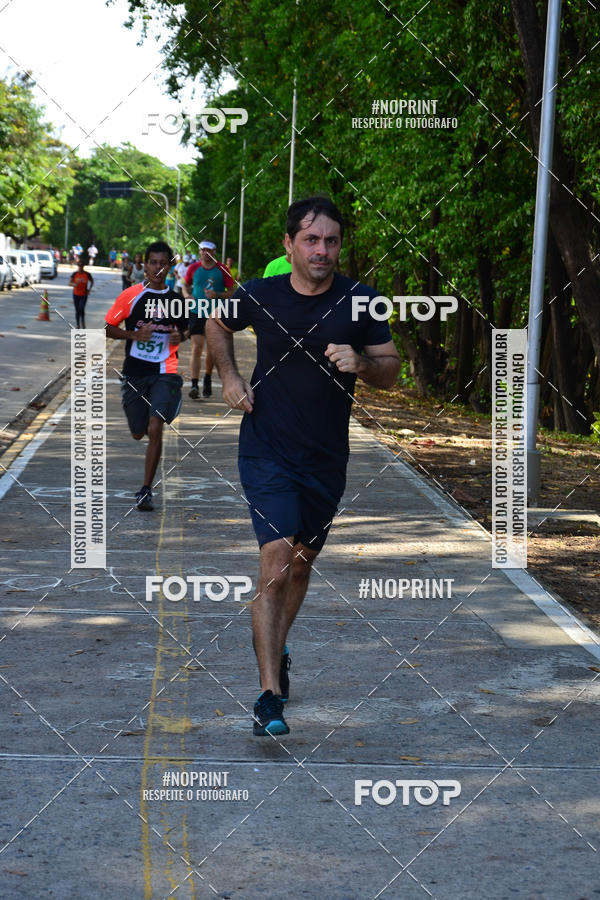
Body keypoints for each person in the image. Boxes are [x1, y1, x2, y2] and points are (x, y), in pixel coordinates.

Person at [206, 196, 400, 736]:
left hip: (326, 456)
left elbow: (391, 369)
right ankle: (269, 695)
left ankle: (279, 648)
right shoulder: (260, 295)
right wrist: (229, 376)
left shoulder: (362, 302)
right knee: (275, 557)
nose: (322, 250)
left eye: (332, 241)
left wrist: (361, 362)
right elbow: (216, 324)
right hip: (266, 446)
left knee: (302, 563)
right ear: (289, 245)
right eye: (311, 240)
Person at [104, 241, 188, 512]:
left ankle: (145, 490)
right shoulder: (131, 296)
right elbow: (108, 327)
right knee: (138, 432)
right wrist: (133, 335)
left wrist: (179, 336)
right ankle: (149, 414)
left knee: (155, 426)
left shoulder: (176, 301)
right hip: (135, 373)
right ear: (145, 265)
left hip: (165, 371)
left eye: (163, 263)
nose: (158, 268)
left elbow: (184, 330)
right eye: (153, 263)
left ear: (170, 267)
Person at [183, 241, 234, 399]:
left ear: (214, 251)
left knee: (211, 350)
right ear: (199, 252)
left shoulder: (222, 269)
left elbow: (232, 291)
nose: (205, 253)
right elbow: (185, 285)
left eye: (208, 250)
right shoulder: (193, 268)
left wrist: (217, 294)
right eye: (202, 250)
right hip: (196, 312)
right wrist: (187, 295)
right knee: (197, 347)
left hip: (215, 314)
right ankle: (193, 384)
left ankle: (207, 378)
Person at [69, 260, 94, 328]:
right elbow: (69, 283)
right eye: (79, 266)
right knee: (77, 310)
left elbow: (92, 281)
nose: (80, 267)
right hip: (76, 294)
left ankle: (82, 321)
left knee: (81, 308)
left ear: (83, 266)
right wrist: (74, 284)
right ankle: (78, 324)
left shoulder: (87, 274)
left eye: (81, 266)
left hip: (84, 294)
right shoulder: (74, 274)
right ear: (78, 266)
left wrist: (89, 289)